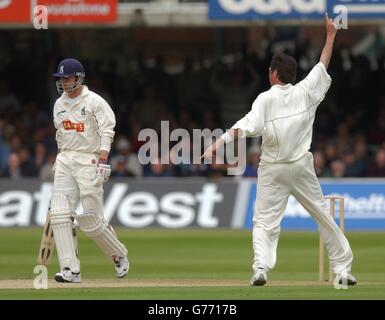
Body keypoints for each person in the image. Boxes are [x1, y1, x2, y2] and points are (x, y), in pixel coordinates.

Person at [202, 14, 356, 286]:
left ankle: (261, 268)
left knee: (264, 221)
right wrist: (330, 35)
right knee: (322, 214)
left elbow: (244, 126)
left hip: (272, 168)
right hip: (300, 166)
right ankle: (342, 270)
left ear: (273, 73)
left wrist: (217, 144)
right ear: (292, 75)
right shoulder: (306, 92)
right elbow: (322, 64)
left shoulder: (265, 98)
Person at [50, 58, 129, 283]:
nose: (64, 82)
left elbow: (107, 131)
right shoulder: (59, 104)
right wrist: (59, 157)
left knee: (91, 219)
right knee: (59, 215)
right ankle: (70, 270)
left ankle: (118, 254)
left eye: (67, 77)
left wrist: (103, 159)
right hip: (66, 159)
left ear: (79, 78)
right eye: (61, 78)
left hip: (89, 159)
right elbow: (61, 134)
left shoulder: (94, 101)